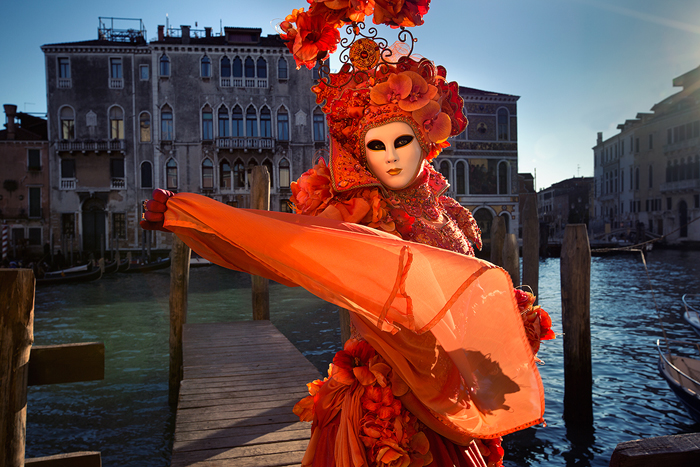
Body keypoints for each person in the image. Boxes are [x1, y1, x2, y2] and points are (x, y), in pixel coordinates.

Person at [141, 3, 553, 466]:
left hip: (449, 390)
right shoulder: (360, 211)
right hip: (390, 397)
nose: (390, 156)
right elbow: (280, 247)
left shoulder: (444, 208)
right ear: (363, 155)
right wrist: (191, 217)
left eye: (401, 141)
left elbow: (455, 298)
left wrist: (509, 320)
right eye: (376, 145)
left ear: (424, 139)